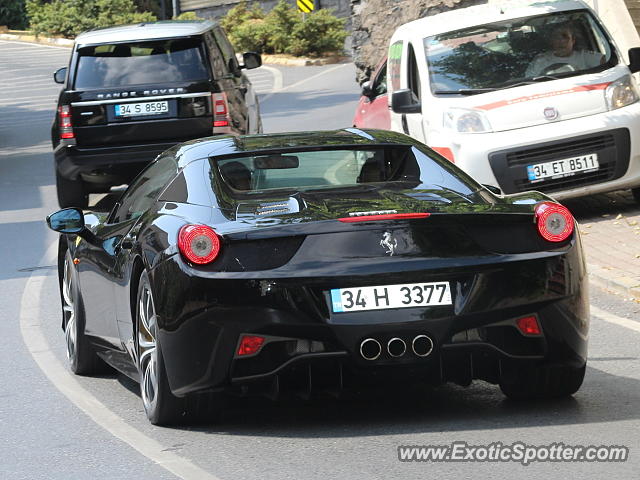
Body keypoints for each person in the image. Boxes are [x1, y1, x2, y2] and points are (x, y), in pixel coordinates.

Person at [525, 23, 604, 77]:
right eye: (556, 37)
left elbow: (608, 62)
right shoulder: (540, 60)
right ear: (551, 41)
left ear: (573, 40)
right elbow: (529, 81)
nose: (561, 41)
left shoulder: (583, 56)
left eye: (565, 37)